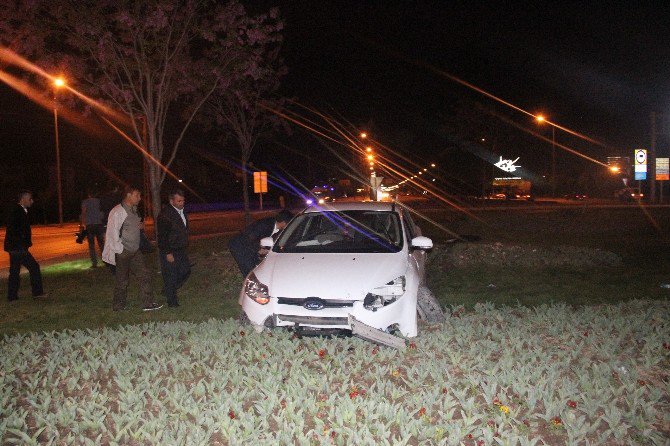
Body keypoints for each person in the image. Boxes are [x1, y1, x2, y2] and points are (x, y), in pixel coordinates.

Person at [102, 185, 162, 312]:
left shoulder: (134, 209)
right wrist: (120, 250)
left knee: (144, 275)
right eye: (137, 195)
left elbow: (131, 227)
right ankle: (118, 306)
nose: (139, 198)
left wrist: (139, 227)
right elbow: (111, 233)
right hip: (123, 251)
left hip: (135, 250)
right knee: (122, 281)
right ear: (128, 195)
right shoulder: (118, 211)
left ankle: (148, 303)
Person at [4, 190, 48, 301]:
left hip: (14, 247)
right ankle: (37, 293)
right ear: (23, 199)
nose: (32, 201)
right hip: (18, 247)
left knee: (14, 271)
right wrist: (22, 245)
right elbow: (16, 230)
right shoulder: (17, 211)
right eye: (30, 199)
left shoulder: (20, 210)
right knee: (34, 267)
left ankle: (12, 296)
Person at [228, 209, 293, 277]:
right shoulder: (265, 225)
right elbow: (249, 238)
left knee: (257, 268)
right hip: (239, 245)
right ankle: (250, 285)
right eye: (289, 224)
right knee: (250, 270)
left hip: (250, 245)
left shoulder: (276, 227)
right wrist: (259, 249)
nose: (289, 227)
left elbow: (266, 240)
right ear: (283, 223)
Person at [157, 189, 190, 308]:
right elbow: (162, 237)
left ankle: (168, 289)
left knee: (185, 270)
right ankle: (172, 302)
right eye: (179, 201)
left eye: (183, 200)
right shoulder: (165, 215)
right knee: (170, 274)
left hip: (180, 248)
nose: (182, 203)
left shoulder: (182, 211)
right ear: (172, 201)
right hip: (170, 249)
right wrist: (167, 253)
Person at [80, 189, 105, 268]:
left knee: (91, 245)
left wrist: (82, 223)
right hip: (99, 224)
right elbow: (102, 212)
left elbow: (83, 213)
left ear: (89, 195)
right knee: (101, 244)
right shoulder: (99, 201)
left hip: (90, 225)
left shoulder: (85, 202)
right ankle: (106, 261)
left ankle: (94, 263)